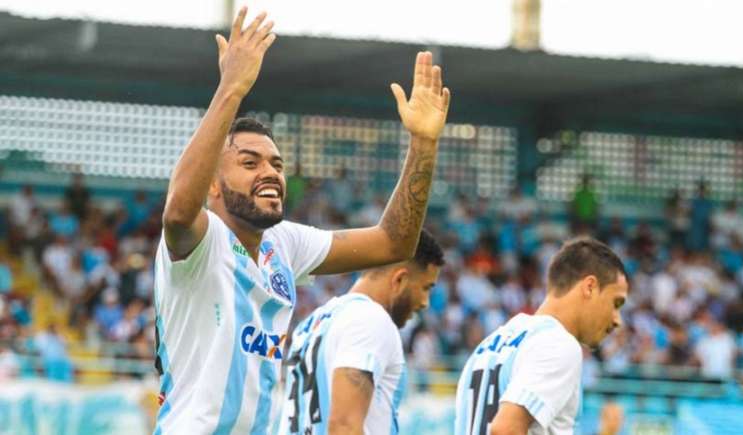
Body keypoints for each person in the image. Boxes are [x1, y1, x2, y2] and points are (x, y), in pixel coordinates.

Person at [152, 7, 451, 435]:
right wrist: (232, 89)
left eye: (276, 163)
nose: (270, 172)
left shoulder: (283, 245)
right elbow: (178, 209)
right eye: (249, 163)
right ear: (213, 187)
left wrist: (423, 143)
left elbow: (393, 243)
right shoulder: (202, 242)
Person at [454, 238, 629, 435]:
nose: (617, 320)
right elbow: (505, 430)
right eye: (616, 304)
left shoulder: (489, 345)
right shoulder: (558, 344)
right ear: (590, 287)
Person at [277, 229, 444, 435]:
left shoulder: (314, 322)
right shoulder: (370, 319)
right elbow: (344, 426)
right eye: (426, 288)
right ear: (400, 279)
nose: (425, 302)